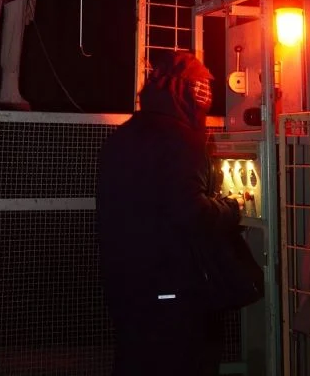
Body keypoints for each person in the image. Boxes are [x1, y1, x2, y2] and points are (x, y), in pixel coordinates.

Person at [97, 51, 241, 376]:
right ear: (184, 92)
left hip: (125, 280)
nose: (206, 98)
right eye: (200, 89)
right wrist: (230, 208)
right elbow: (190, 213)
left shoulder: (123, 136)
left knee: (135, 360)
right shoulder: (183, 140)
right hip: (172, 285)